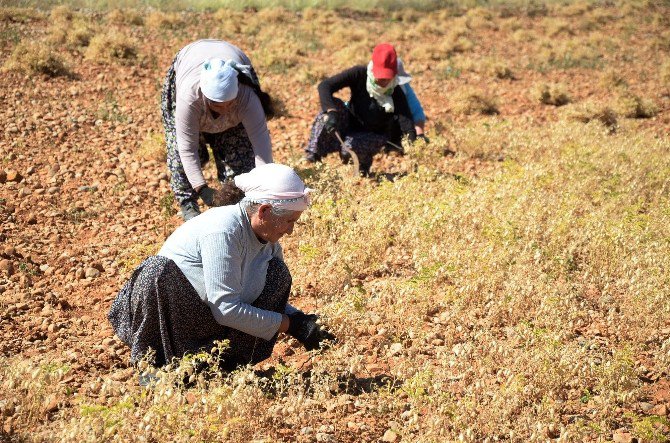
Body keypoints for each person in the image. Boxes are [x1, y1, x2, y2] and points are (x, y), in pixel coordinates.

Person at [108, 164, 335, 377]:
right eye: (288, 221)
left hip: (210, 320)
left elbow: (265, 298)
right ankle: (156, 367)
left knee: (278, 274)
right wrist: (291, 326)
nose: (290, 231)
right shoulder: (223, 232)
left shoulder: (269, 243)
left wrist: (300, 320)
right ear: (264, 211)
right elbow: (225, 309)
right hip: (177, 321)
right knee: (155, 271)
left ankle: (224, 366)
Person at [161, 39, 275, 221]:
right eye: (216, 104)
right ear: (205, 96)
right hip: (190, 59)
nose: (223, 110)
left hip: (231, 55)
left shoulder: (247, 97)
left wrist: (263, 188)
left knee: (241, 159)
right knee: (179, 152)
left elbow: (261, 144)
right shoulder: (190, 97)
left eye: (228, 104)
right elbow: (186, 148)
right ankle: (188, 204)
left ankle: (235, 206)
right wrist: (202, 189)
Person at [303, 43, 417, 175]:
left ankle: (362, 165)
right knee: (330, 110)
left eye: (387, 77)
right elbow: (325, 86)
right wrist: (331, 112)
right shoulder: (359, 74)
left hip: (374, 135)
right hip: (349, 124)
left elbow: (406, 122)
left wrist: (414, 147)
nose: (383, 80)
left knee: (348, 149)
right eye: (380, 75)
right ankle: (313, 157)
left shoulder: (395, 91)